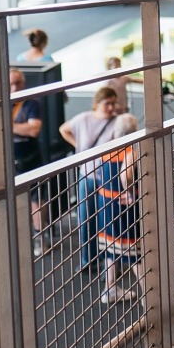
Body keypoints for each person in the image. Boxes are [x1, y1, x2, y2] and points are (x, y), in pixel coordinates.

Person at [60, 87, 122, 273]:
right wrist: (78, 147)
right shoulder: (83, 119)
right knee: (86, 219)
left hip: (108, 178)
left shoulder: (117, 122)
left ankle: (110, 265)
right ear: (97, 103)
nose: (111, 107)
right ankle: (89, 259)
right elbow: (64, 129)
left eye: (113, 103)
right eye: (107, 103)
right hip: (87, 175)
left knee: (108, 221)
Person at [95, 113, 142, 306]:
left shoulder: (108, 148)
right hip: (123, 206)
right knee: (135, 253)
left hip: (106, 203)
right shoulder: (130, 151)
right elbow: (126, 175)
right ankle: (149, 294)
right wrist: (132, 192)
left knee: (111, 248)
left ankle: (110, 288)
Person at [8, 70, 50, 259]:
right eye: (11, 84)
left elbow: (34, 130)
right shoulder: (2, 104)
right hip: (11, 160)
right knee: (12, 202)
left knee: (37, 201)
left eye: (17, 83)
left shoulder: (31, 103)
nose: (14, 88)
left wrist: (8, 127)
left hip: (31, 159)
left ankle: (41, 240)